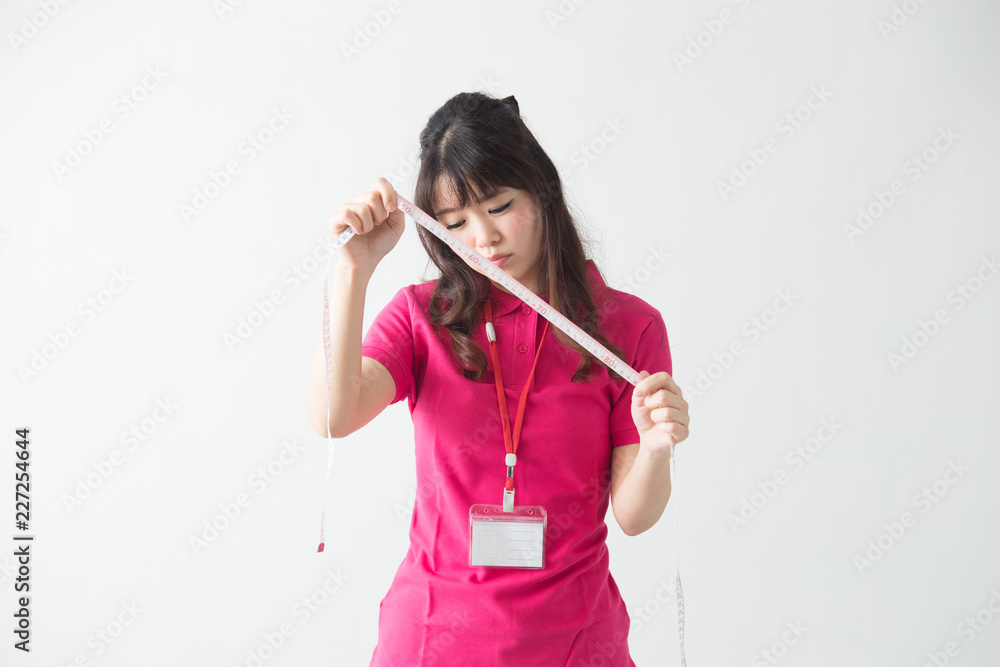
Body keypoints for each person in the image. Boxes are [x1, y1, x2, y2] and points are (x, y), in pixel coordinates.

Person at [307, 92, 690, 666]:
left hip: (576, 646)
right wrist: (353, 271)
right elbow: (332, 416)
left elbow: (635, 518)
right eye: (456, 222)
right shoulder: (422, 317)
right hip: (431, 641)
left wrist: (657, 448)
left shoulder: (628, 327)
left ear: (543, 190)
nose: (483, 238)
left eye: (500, 205)